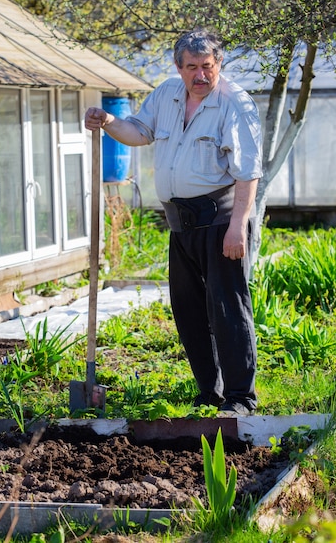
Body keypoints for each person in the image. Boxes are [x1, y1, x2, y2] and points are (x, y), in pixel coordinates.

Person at [85, 29, 262, 416]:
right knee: (189, 311)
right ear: (178, 67)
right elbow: (139, 131)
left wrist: (238, 227)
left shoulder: (235, 104)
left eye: (208, 67)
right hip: (180, 225)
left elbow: (248, 173)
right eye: (192, 67)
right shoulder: (166, 94)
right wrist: (110, 120)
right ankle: (210, 392)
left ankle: (240, 398)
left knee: (228, 309)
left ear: (219, 65)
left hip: (219, 221)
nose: (201, 75)